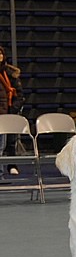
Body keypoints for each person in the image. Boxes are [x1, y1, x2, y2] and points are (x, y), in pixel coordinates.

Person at [0, 46, 24, 179]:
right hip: (1, 112)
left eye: (0, 54)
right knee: (1, 144)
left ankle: (12, 165)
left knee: (11, 141)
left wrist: (14, 108)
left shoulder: (10, 73)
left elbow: (19, 94)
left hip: (10, 110)